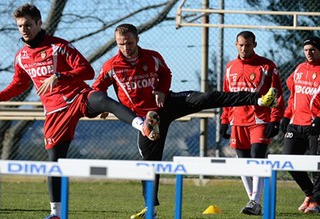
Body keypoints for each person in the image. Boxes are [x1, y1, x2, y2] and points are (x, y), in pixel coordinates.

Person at [0, 4, 159, 219]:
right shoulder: (21, 56)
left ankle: (142, 125)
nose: (24, 29)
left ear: (39, 23)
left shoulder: (60, 46)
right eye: (20, 26)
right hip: (55, 111)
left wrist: (59, 75)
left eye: (28, 24)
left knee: (101, 98)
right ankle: (55, 213)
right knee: (55, 161)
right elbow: (19, 83)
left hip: (77, 97)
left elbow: (87, 70)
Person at [92, 23, 279, 219]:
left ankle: (258, 98)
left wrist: (163, 92)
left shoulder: (153, 57)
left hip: (166, 105)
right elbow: (98, 88)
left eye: (129, 43)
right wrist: (103, 106)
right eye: (121, 44)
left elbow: (166, 74)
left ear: (137, 40)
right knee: (149, 164)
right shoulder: (111, 66)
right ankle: (151, 210)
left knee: (206, 98)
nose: (126, 48)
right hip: (145, 120)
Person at [219, 31, 285, 215]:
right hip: (237, 121)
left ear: (254, 45)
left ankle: (254, 201)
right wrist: (224, 120)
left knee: (257, 157)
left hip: (259, 120)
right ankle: (253, 201)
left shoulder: (267, 66)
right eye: (241, 44)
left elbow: (277, 95)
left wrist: (275, 120)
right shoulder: (230, 67)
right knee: (243, 162)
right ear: (235, 44)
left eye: (247, 45)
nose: (244, 48)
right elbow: (226, 96)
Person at [280, 36, 320, 214]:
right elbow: (294, 96)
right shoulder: (298, 69)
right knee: (288, 161)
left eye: (313, 49)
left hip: (315, 125)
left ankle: (317, 202)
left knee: (316, 165)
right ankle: (310, 193)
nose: (309, 53)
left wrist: (319, 119)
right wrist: (286, 116)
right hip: (296, 124)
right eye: (306, 50)